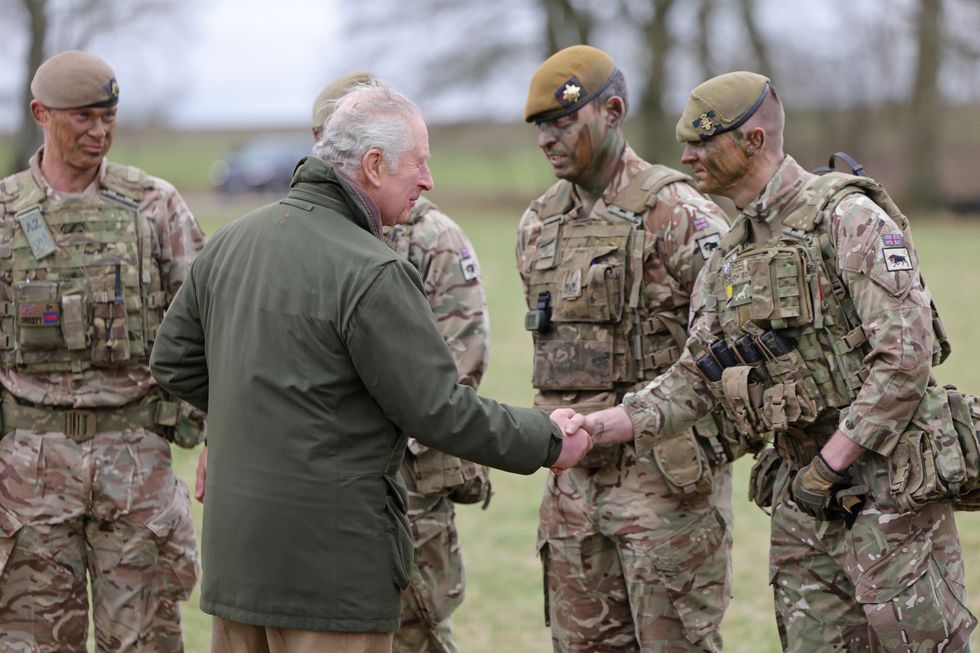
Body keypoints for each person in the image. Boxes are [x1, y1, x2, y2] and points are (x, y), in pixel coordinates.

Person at [149, 80, 592, 653]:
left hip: (238, 567)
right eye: (420, 163)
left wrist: (261, 408)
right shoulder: (373, 270)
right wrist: (550, 440)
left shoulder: (232, 242)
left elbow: (173, 361)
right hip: (330, 576)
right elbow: (440, 412)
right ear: (375, 165)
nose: (429, 180)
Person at [572, 71, 977, 651]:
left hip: (889, 490)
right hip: (803, 500)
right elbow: (696, 377)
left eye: (703, 142)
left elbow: (905, 359)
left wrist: (833, 464)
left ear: (754, 141)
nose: (687, 155)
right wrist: (601, 427)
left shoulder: (847, 219)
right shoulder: (730, 256)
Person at [519, 45, 739, 652]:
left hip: (665, 491)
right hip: (572, 494)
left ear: (612, 110)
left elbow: (734, 344)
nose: (547, 138)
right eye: (540, 126)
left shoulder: (680, 213)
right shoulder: (538, 226)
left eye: (563, 121)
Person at [0, 51, 206, 652]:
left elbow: (208, 328)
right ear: (41, 114)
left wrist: (217, 434)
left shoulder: (155, 206)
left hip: (136, 462)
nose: (99, 131)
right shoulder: (6, 213)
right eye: (83, 117)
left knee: (145, 643)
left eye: (109, 116)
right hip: (29, 473)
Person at [316, 72, 493, 653]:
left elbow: (459, 364)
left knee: (414, 621)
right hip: (325, 479)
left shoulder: (433, 238)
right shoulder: (305, 233)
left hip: (409, 477)